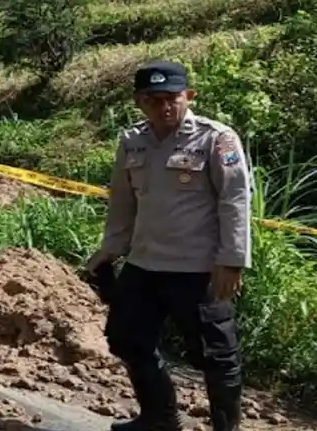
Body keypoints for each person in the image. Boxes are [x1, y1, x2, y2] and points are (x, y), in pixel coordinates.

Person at [85, 61, 251, 431]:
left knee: (216, 354)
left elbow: (234, 199)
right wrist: (110, 248)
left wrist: (233, 259)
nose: (165, 107)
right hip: (145, 263)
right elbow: (123, 202)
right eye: (154, 100)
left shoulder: (215, 139)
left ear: (188, 97)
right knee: (125, 337)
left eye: (172, 98)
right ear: (139, 102)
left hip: (198, 268)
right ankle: (159, 418)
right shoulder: (132, 141)